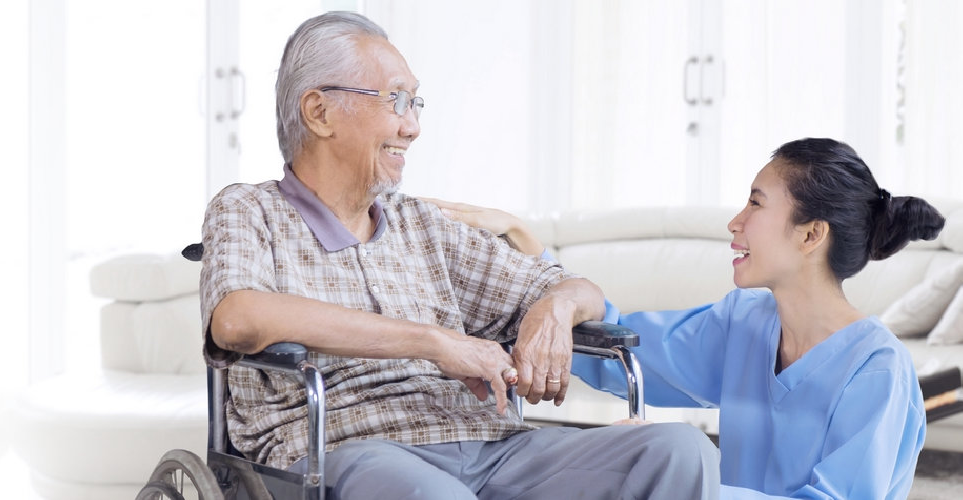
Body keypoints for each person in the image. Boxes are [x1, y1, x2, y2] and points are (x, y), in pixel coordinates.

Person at [198, 11, 719, 500]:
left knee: (678, 450)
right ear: (320, 112)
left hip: (491, 444)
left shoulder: (423, 227)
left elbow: (579, 289)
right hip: (348, 446)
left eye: (415, 104)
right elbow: (238, 319)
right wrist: (435, 343)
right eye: (396, 100)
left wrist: (554, 310)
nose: (412, 127)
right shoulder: (249, 209)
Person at [429, 138, 943, 499]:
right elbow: (624, 351)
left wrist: (674, 477)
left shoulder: (877, 370)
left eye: (756, 204)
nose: (735, 222)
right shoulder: (745, 322)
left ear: (811, 235)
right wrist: (528, 247)